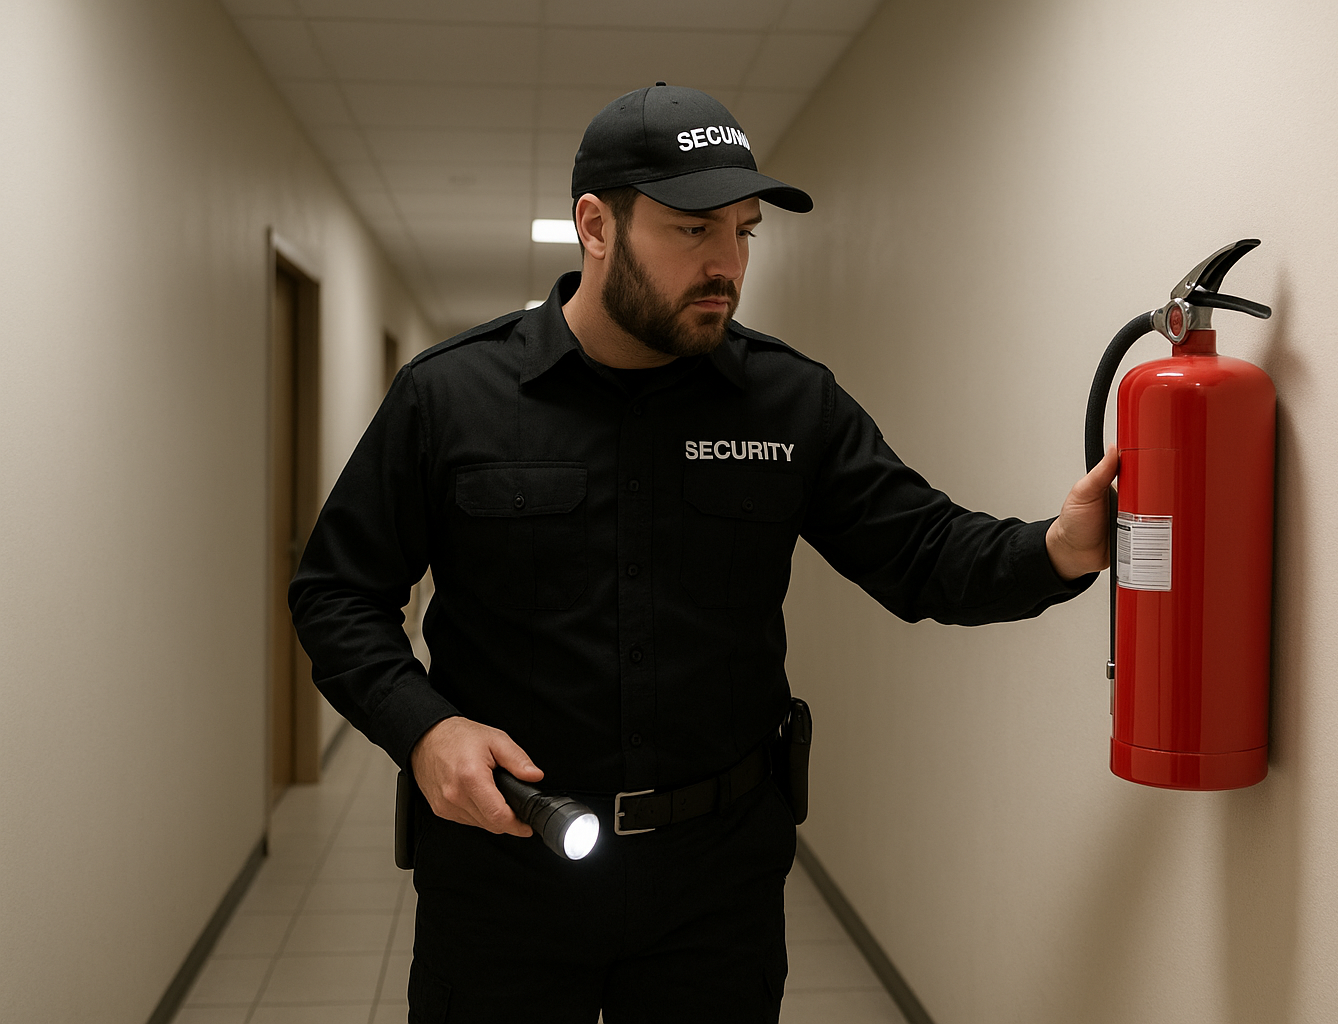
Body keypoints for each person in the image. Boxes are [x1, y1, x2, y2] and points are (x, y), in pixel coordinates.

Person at [289, 84, 1118, 1023]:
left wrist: (1058, 548)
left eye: (745, 232)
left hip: (714, 885)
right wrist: (426, 729)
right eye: (693, 230)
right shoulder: (452, 400)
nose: (728, 263)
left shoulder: (789, 403)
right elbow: (335, 594)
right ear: (595, 226)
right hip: (504, 872)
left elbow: (923, 550)